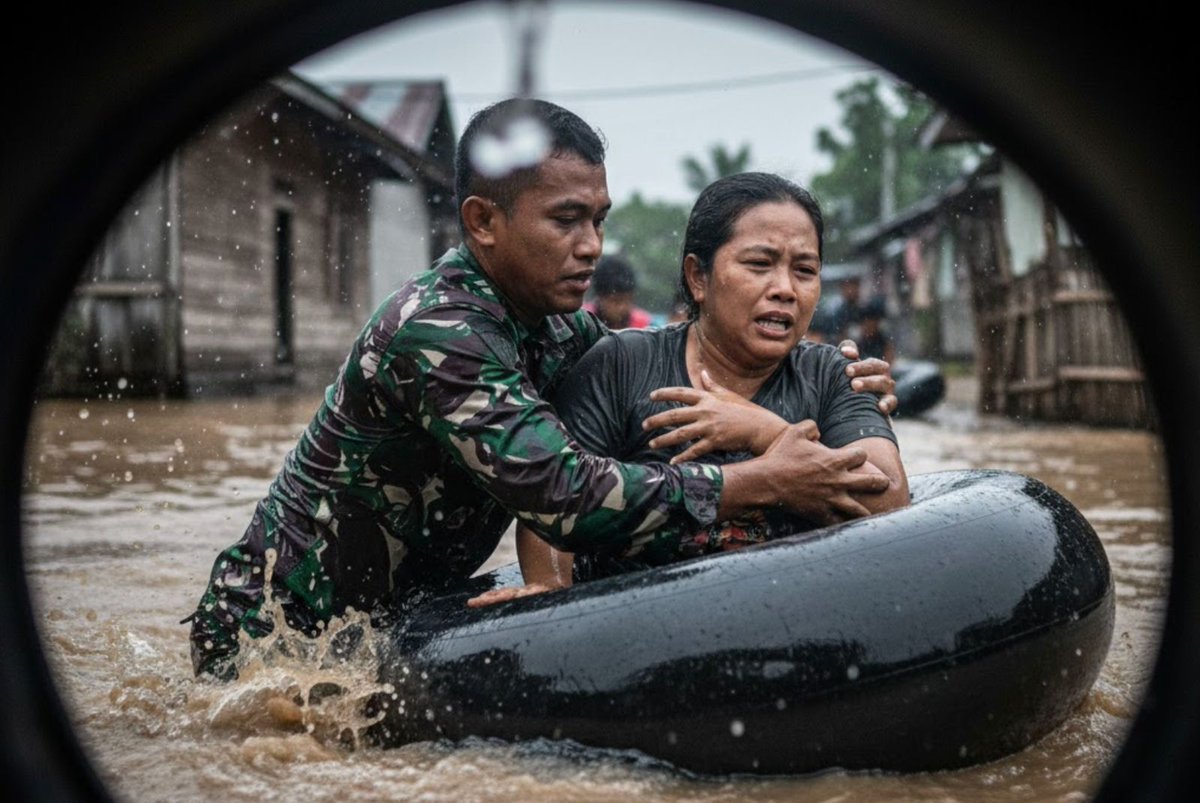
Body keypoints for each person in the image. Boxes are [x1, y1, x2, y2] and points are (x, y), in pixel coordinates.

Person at [186, 99, 897, 679]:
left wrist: (831, 380)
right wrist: (762, 477)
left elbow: (656, 358)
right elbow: (566, 494)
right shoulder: (439, 331)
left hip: (398, 618)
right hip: (273, 636)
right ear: (483, 223)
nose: (591, 244)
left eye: (599, 219)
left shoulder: (560, 332)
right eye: (565, 219)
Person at [474, 173, 909, 601]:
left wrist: (761, 430)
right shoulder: (621, 366)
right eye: (759, 264)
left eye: (805, 270)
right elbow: (554, 511)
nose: (785, 290)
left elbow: (889, 503)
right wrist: (550, 595)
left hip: (788, 610)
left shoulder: (837, 375)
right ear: (698, 278)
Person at [583, 254, 653, 329]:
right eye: (616, 301)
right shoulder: (584, 322)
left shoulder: (645, 326)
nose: (623, 307)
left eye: (629, 300)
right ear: (600, 298)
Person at [855, 296, 896, 364]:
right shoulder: (857, 344)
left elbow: (889, 363)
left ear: (877, 324)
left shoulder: (885, 344)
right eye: (865, 324)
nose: (868, 328)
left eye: (871, 325)